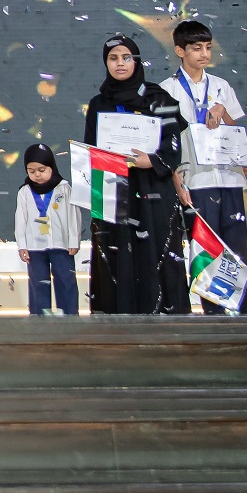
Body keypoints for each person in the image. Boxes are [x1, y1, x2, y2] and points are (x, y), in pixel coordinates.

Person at [158, 20, 247, 316]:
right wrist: (176, 181)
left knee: (237, 250)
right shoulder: (167, 90)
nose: (204, 54)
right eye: (196, 48)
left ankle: (245, 314)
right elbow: (166, 143)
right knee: (206, 251)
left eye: (207, 48)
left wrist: (222, 111)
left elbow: (234, 130)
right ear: (180, 50)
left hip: (228, 178)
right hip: (196, 182)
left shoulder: (221, 86)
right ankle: (215, 315)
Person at [83, 34, 189, 315]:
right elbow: (91, 149)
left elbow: (173, 146)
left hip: (152, 188)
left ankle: (165, 317)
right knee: (116, 252)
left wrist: (150, 161)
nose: (120, 64)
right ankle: (118, 318)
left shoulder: (159, 98)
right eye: (113, 58)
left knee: (155, 252)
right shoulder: (98, 103)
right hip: (113, 191)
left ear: (136, 60)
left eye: (126, 57)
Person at [15, 143, 79, 316]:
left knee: (66, 281)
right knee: (38, 283)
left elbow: (73, 215)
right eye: (31, 171)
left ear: (51, 166)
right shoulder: (25, 192)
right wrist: (22, 245)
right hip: (35, 246)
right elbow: (20, 220)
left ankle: (70, 320)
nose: (37, 175)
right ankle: (39, 322)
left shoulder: (63, 188)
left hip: (61, 244)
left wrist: (74, 240)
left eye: (42, 170)